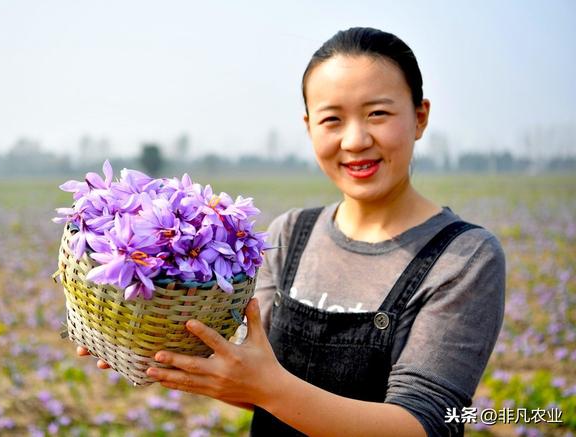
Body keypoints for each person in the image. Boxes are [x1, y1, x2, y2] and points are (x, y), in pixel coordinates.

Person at [77, 27, 506, 436]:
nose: (355, 140)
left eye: (378, 113)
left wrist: (267, 388)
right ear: (308, 128)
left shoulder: (463, 257)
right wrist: (156, 348)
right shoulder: (291, 233)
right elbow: (250, 378)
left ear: (420, 117)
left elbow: (424, 424)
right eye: (332, 119)